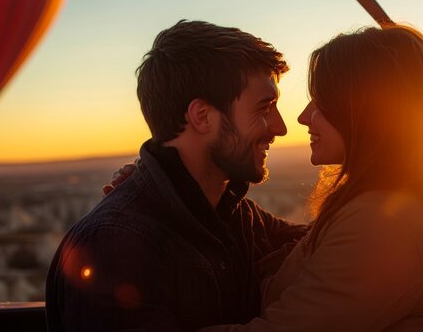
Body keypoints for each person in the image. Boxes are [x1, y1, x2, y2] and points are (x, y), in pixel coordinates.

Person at [199, 25, 423, 331]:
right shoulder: (397, 206)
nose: (303, 117)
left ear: (367, 112)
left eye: (321, 101)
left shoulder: (386, 225)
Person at [45, 20, 307, 331]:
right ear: (202, 116)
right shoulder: (116, 244)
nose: (280, 127)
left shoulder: (239, 217)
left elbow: (343, 243)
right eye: (265, 107)